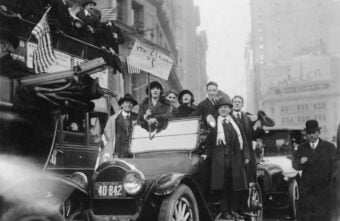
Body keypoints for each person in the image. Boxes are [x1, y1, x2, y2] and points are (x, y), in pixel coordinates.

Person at [210, 96, 249, 220]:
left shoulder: (235, 123)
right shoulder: (214, 124)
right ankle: (225, 211)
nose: (223, 109)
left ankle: (234, 210)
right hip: (220, 160)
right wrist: (207, 154)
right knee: (224, 186)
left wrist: (246, 156)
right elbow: (209, 142)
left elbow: (243, 139)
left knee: (236, 185)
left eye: (226, 107)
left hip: (235, 158)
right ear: (218, 109)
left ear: (229, 109)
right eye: (221, 107)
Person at [292, 120, 337, 221]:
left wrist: (331, 184)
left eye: (314, 133)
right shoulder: (302, 148)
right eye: (309, 133)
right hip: (307, 192)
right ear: (306, 135)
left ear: (318, 132)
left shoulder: (329, 147)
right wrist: (300, 162)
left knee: (324, 217)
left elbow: (335, 167)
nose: (311, 135)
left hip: (324, 191)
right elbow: (295, 165)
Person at [231, 95, 264, 184]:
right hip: (234, 153)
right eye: (235, 102)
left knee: (250, 177)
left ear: (242, 105)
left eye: (239, 102)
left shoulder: (247, 118)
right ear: (232, 104)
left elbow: (252, 135)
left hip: (248, 152)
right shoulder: (228, 118)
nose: (237, 103)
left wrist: (257, 127)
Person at [102, 93, 138, 159]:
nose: (129, 105)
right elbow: (107, 137)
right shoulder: (113, 119)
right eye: (126, 102)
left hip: (133, 153)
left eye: (131, 103)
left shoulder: (136, 119)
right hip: (118, 153)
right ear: (121, 105)